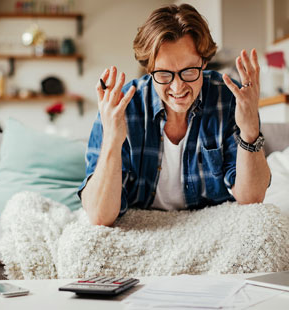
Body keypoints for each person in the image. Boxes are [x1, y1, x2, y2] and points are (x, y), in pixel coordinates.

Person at [79, 4, 271, 226]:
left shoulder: (228, 98)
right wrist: (113, 139)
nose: (178, 87)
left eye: (189, 71)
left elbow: (252, 199)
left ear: (204, 62)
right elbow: (100, 216)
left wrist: (250, 130)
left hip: (209, 224)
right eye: (164, 74)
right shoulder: (121, 106)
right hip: (145, 228)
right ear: (149, 69)